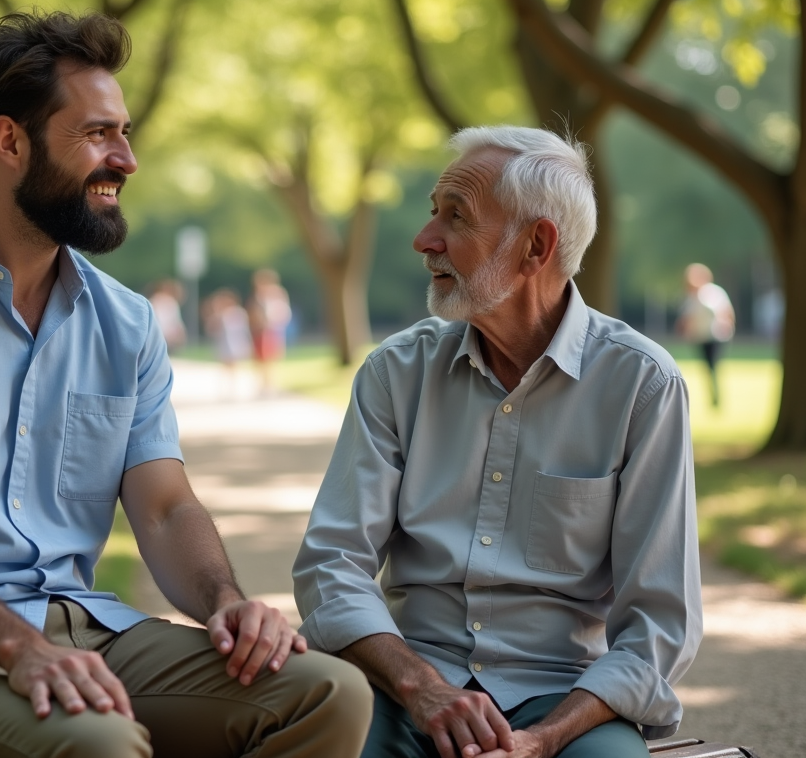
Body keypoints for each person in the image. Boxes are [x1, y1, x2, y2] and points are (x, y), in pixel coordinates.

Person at [0, 11, 371, 758]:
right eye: (98, 133)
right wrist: (17, 648)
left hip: (87, 631)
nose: (126, 159)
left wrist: (225, 602)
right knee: (94, 743)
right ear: (9, 142)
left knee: (325, 694)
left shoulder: (124, 323)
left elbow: (163, 509)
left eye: (125, 133)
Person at [293, 126, 702, 758]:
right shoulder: (394, 373)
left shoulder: (641, 385)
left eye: (455, 217)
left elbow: (660, 622)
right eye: (434, 211)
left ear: (536, 245)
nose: (424, 239)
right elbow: (331, 565)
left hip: (565, 695)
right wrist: (421, 688)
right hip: (403, 683)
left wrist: (542, 741)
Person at [675, 263, 735, 407]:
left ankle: (716, 397)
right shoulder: (691, 297)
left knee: (712, 366)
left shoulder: (714, 293)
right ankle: (713, 396)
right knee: (707, 368)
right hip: (700, 337)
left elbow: (726, 311)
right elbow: (686, 318)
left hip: (715, 336)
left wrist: (727, 325)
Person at [247, 268, 292, 393]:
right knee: (259, 357)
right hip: (258, 330)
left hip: (272, 329)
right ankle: (262, 382)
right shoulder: (256, 296)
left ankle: (270, 383)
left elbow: (283, 312)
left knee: (271, 356)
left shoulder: (277, 294)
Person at [147, 278, 187, 353]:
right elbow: (175, 322)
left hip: (154, 334)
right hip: (167, 335)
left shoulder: (151, 300)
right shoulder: (171, 302)